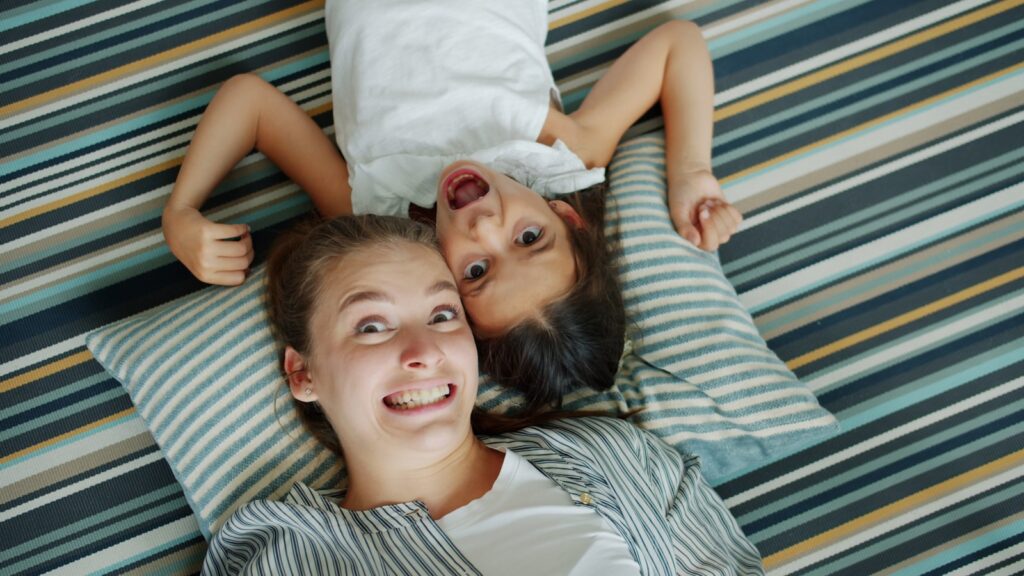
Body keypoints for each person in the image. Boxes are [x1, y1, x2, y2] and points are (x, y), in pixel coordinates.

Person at [162, 2, 742, 411]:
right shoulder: (561, 154)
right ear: (565, 216)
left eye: (476, 270)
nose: (488, 225)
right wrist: (691, 171)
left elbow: (252, 103)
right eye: (530, 239)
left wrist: (182, 212)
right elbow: (678, 43)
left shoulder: (375, 210)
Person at [201, 214, 763, 576]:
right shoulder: (292, 558)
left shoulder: (614, 455)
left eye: (443, 315)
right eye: (371, 325)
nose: (424, 349)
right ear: (303, 375)